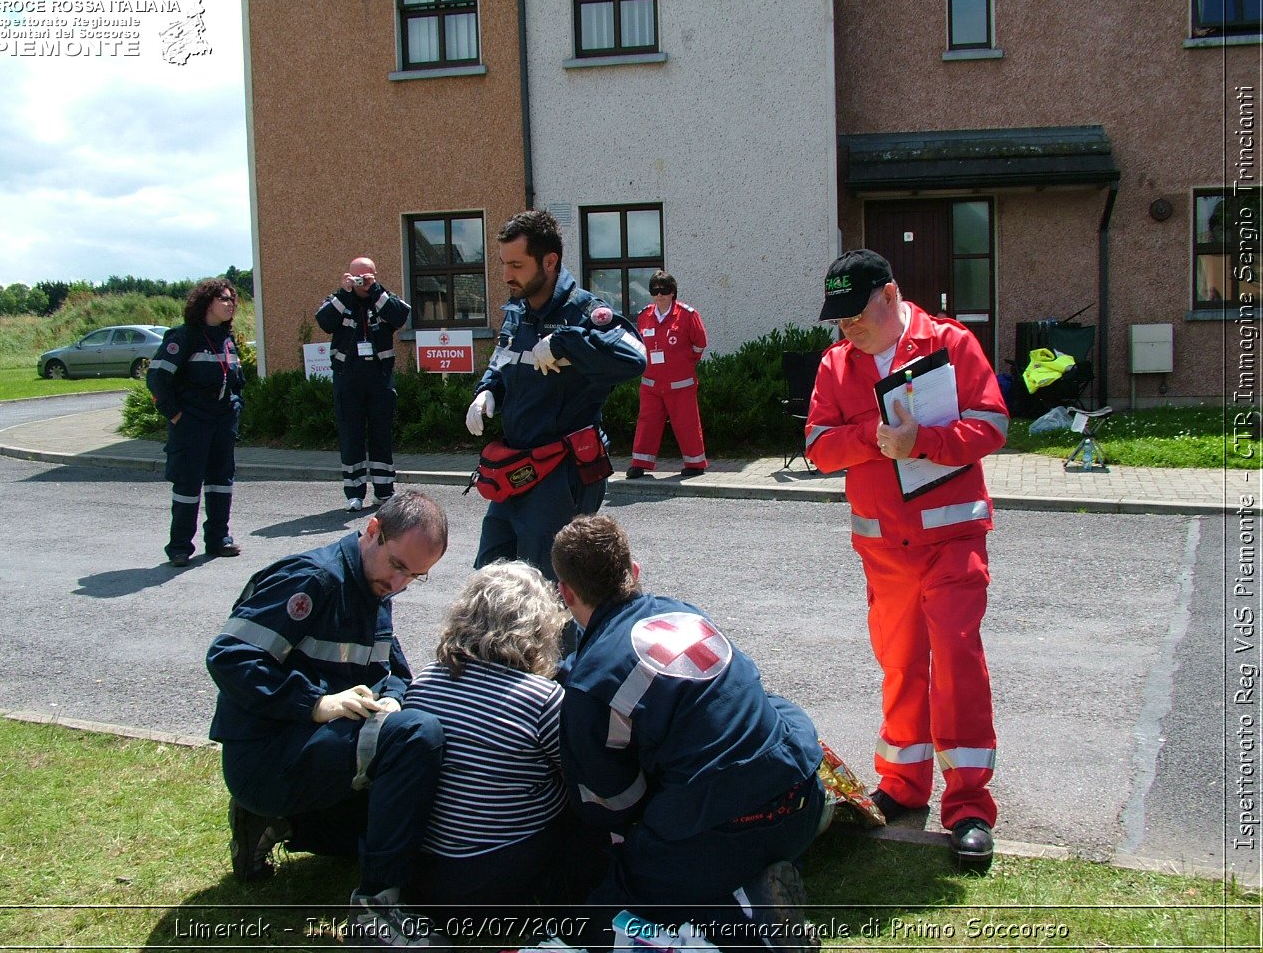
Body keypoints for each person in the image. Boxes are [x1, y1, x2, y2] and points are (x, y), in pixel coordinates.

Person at [804, 248, 1008, 871]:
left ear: (890, 296)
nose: (848, 330)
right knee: (899, 666)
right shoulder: (837, 364)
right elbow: (817, 447)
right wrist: (873, 437)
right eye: (838, 321)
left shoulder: (950, 344)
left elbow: (993, 424)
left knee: (956, 663)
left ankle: (969, 805)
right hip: (885, 551)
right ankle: (902, 784)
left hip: (951, 541)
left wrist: (924, 441)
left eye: (855, 315)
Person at [551, 514, 824, 952]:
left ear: (565, 592)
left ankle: (744, 919)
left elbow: (611, 805)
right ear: (633, 571)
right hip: (801, 800)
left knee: (605, 911)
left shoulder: (589, 685)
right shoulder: (682, 611)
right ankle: (753, 883)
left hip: (723, 831)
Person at [206, 490, 449, 947]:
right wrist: (315, 703)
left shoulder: (374, 588)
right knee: (418, 738)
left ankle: (277, 822)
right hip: (265, 756)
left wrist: (394, 699)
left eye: (415, 576)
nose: (400, 584)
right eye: (398, 566)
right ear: (372, 531)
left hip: (310, 751)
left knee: (405, 755)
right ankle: (376, 910)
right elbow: (229, 657)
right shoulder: (312, 578)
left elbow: (393, 671)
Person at [401, 561, 606, 918]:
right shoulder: (540, 698)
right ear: (537, 626)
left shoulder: (425, 681)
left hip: (427, 873)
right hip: (494, 876)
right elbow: (581, 780)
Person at [465, 210, 647, 580]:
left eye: (516, 264)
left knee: (551, 588)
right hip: (514, 467)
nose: (505, 275)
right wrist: (488, 391)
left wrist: (567, 342)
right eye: (503, 263)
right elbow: (502, 361)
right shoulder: (517, 310)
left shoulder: (585, 312)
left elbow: (635, 358)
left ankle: (564, 642)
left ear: (550, 261)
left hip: (562, 474)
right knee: (491, 579)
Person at [147, 277, 246, 567]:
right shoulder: (184, 337)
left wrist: (236, 405)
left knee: (221, 482)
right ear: (207, 303)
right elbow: (157, 378)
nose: (230, 305)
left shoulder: (227, 339)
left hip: (223, 421)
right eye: (224, 299)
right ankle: (179, 547)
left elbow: (236, 381)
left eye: (232, 300)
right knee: (188, 485)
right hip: (192, 423)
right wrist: (175, 414)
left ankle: (218, 539)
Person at [315, 257, 412, 512]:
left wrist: (375, 290)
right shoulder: (339, 299)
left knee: (381, 435)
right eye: (357, 277)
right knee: (351, 436)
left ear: (374, 275)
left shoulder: (383, 298)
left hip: (379, 379)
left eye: (366, 277)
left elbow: (400, 316)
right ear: (348, 276)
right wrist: (345, 294)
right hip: (348, 380)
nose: (361, 282)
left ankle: (384, 491)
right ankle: (354, 493)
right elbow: (324, 322)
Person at [626, 270, 709, 479]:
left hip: (681, 383)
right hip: (651, 383)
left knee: (686, 423)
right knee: (647, 422)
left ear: (673, 292)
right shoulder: (645, 315)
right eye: (655, 290)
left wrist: (684, 362)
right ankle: (640, 463)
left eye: (664, 290)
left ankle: (695, 463)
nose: (659, 294)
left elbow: (700, 344)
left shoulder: (688, 315)